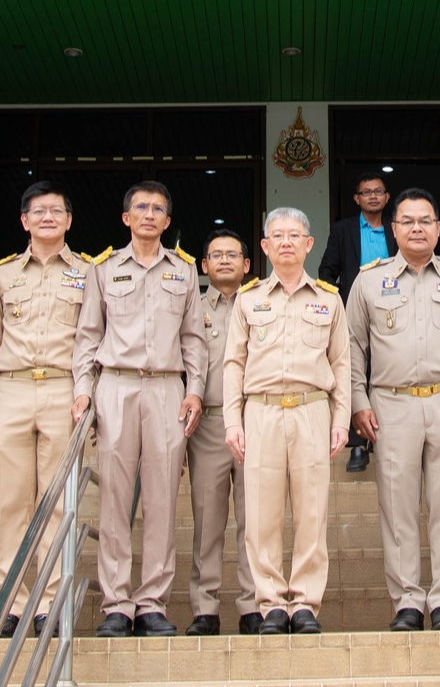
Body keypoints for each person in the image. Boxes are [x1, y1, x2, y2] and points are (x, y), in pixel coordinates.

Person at [349, 188, 440, 632]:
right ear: (393, 229)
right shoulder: (368, 280)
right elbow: (352, 346)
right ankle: (407, 600)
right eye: (407, 221)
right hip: (391, 404)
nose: (416, 228)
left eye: (424, 221)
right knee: (398, 508)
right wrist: (358, 402)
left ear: (437, 228)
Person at [73, 181, 208, 637]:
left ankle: (151, 601)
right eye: (141, 208)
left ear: (167, 221)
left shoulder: (184, 270)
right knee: (113, 498)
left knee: (162, 499)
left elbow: (194, 338)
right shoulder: (104, 268)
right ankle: (116, 602)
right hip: (115, 387)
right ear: (126, 217)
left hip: (168, 390)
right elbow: (88, 337)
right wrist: (84, 391)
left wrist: (195, 391)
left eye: (158, 209)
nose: (149, 214)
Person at [223, 208, 351, 635]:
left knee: (312, 512)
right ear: (264, 246)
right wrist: (232, 421)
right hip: (260, 410)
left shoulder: (329, 299)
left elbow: (342, 364)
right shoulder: (248, 298)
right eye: (277, 235)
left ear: (309, 244)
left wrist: (340, 420)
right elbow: (232, 364)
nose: (286, 242)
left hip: (313, 409)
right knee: (261, 514)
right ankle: (271, 602)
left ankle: (306, 603)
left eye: (295, 235)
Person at [0, 181, 90, 638]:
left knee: (58, 503)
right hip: (12, 389)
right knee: (11, 501)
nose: (47, 217)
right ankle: (11, 601)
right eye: (38, 211)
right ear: (24, 220)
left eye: (56, 211)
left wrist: (87, 393)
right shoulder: (4, 274)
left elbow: (90, 341)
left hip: (64, 389)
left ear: (68, 220)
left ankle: (49, 602)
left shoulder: (87, 272)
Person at [184, 229, 259, 636]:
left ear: (247, 265)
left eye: (234, 255)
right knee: (207, 522)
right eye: (217, 255)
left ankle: (252, 606)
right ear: (204, 265)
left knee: (254, 520)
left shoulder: (263, 303)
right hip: (208, 425)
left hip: (255, 423)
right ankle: (205, 609)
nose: (225, 261)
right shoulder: (190, 308)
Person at [320, 172, 398, 472]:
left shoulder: (397, 228)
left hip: (396, 311)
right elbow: (327, 271)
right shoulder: (343, 230)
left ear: (387, 197)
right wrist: (338, 304)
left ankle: (384, 437)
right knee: (355, 371)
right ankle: (357, 444)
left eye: (378, 191)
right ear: (357, 199)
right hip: (356, 310)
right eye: (366, 192)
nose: (373, 196)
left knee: (390, 371)